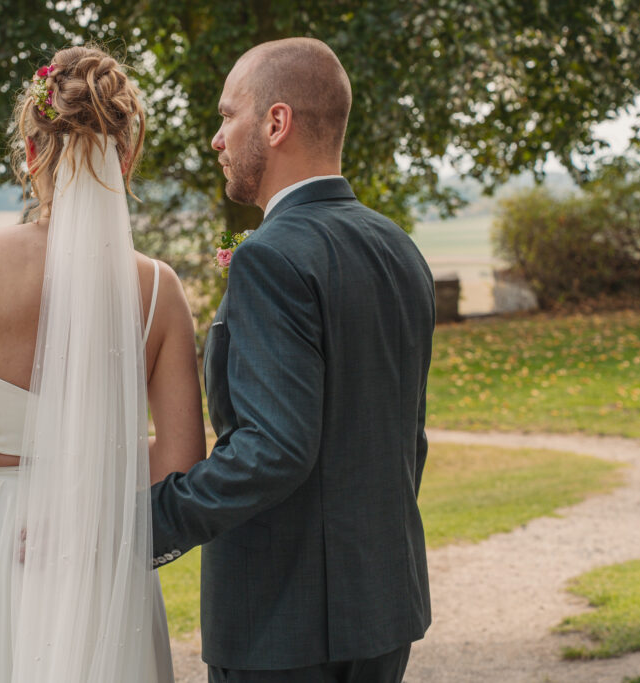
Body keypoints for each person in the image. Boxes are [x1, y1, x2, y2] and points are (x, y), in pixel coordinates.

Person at [0, 45, 206, 683]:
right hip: (98, 540)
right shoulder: (159, 288)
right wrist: (92, 471)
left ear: (32, 151)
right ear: (124, 157)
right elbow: (182, 458)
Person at [150, 38, 436, 682]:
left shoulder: (269, 257)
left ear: (275, 123)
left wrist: (139, 525)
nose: (216, 140)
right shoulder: (398, 247)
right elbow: (406, 438)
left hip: (283, 624)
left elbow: (272, 450)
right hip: (383, 607)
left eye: (228, 116)